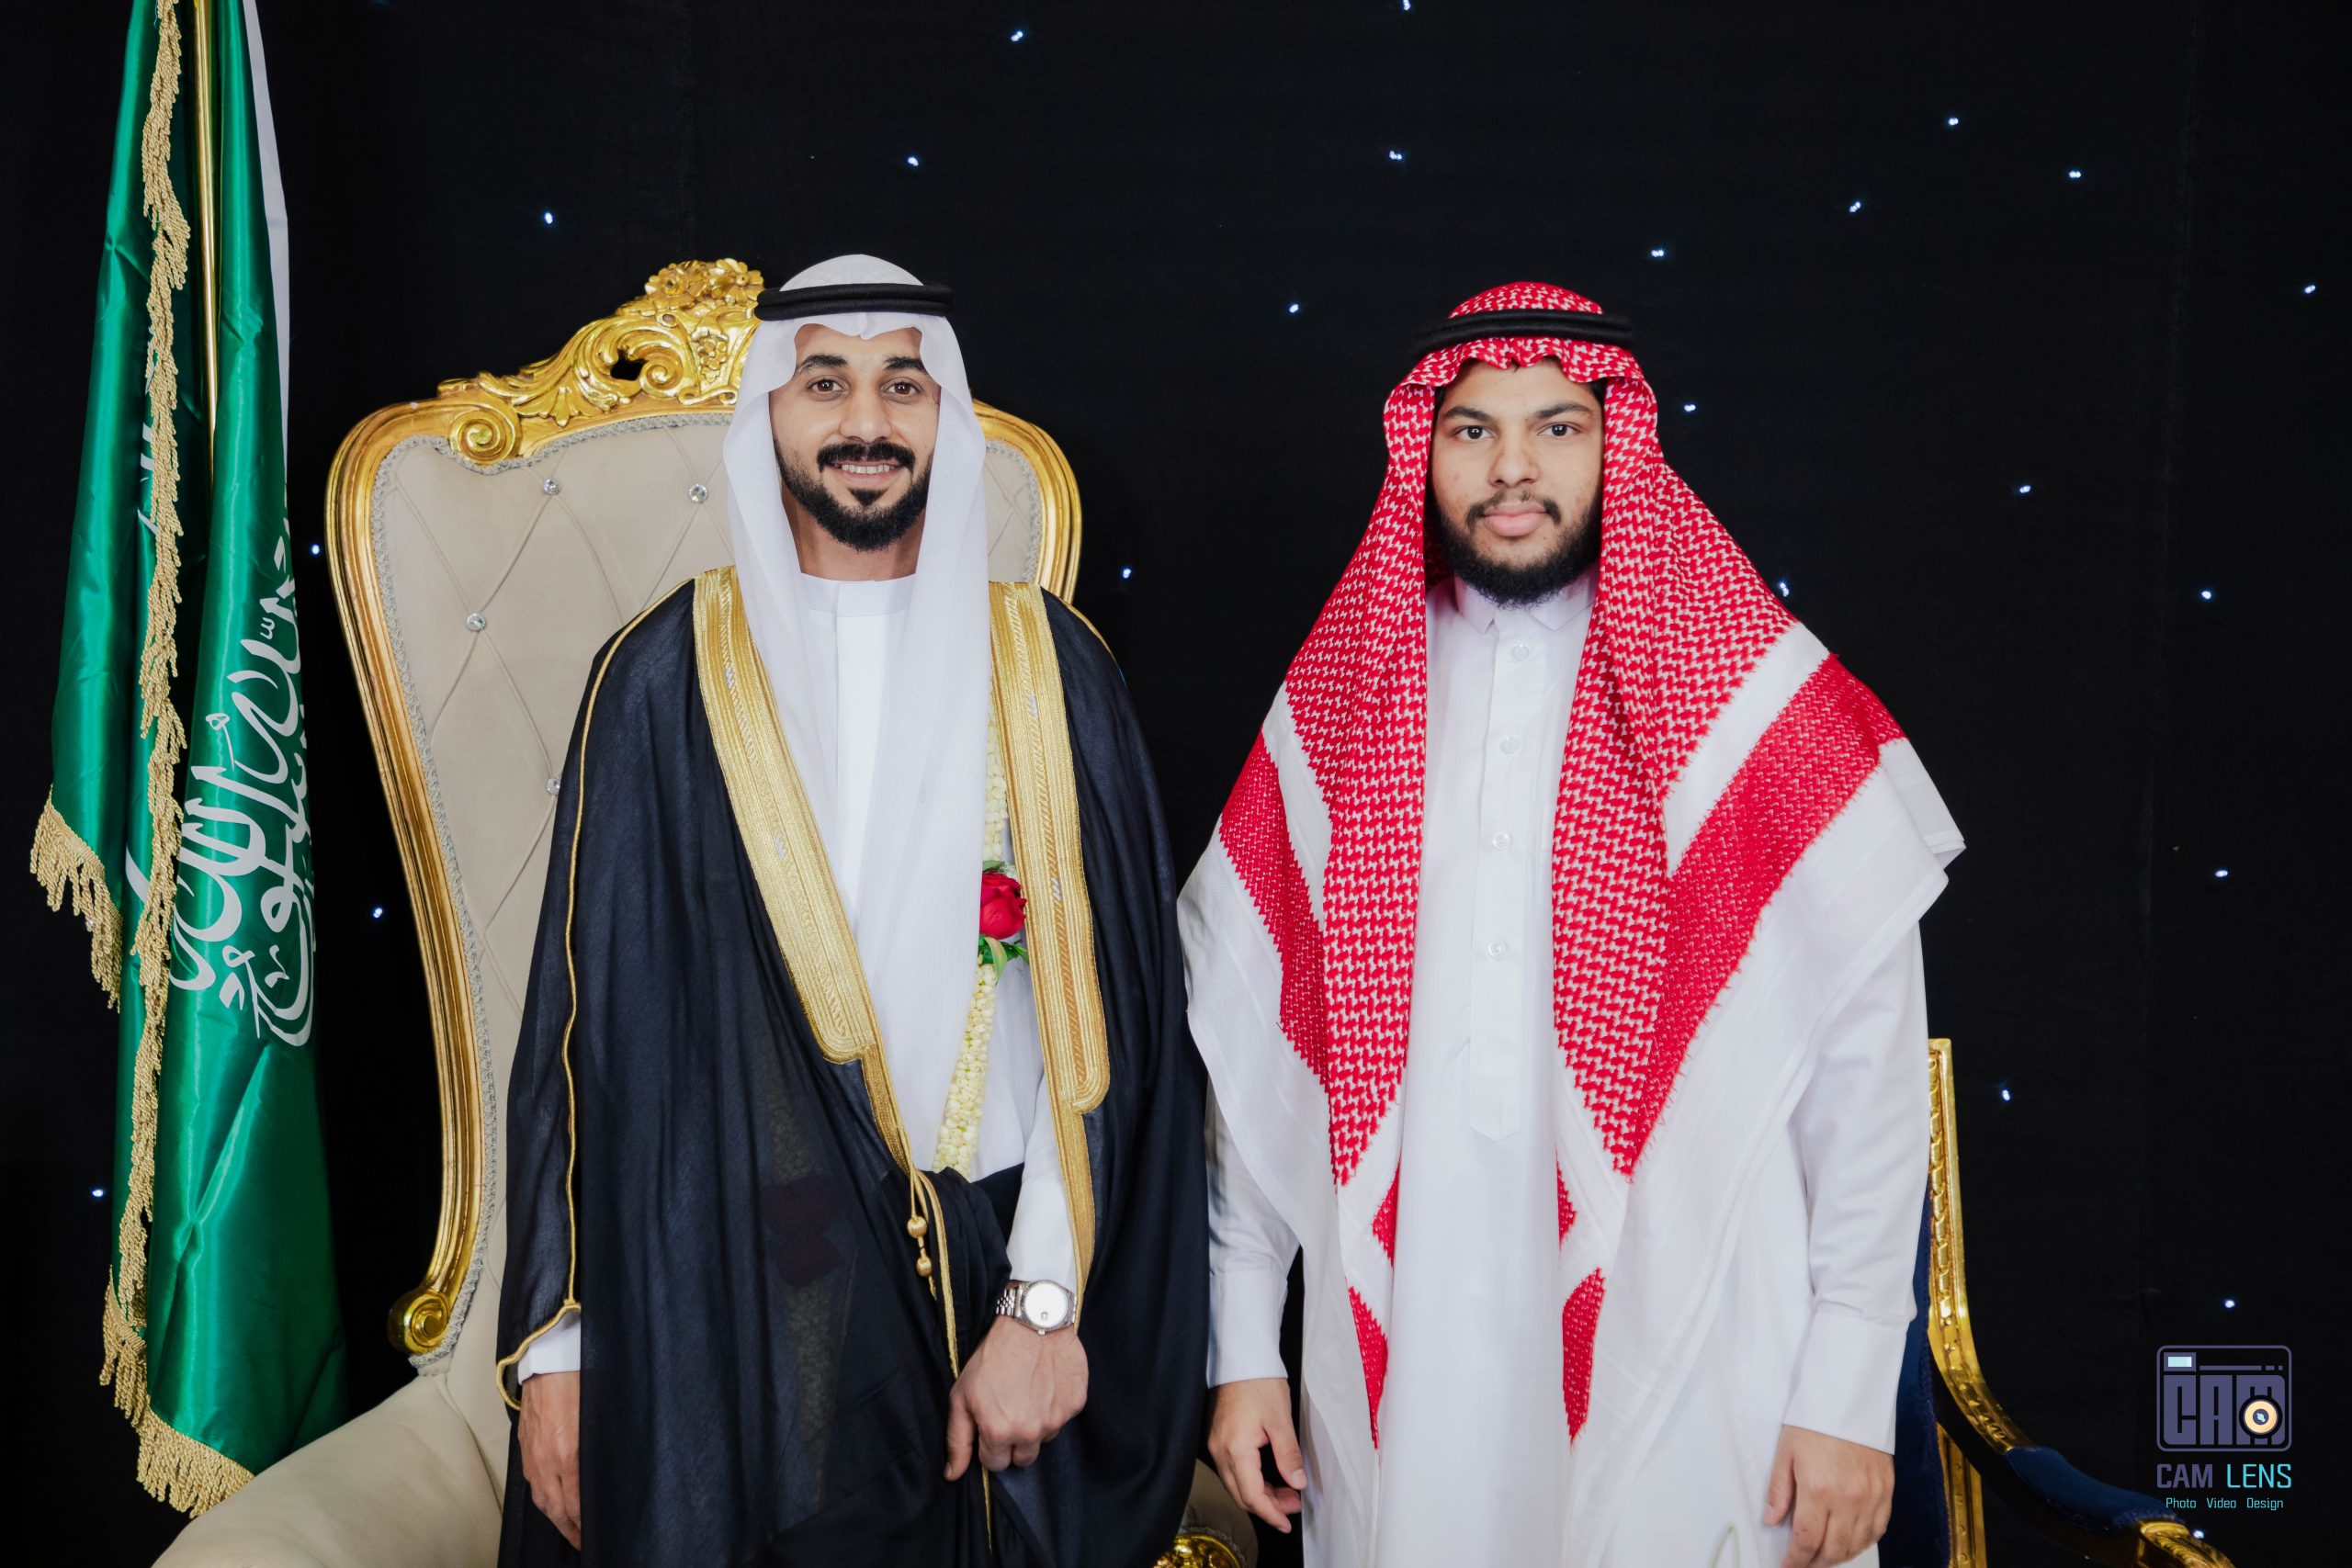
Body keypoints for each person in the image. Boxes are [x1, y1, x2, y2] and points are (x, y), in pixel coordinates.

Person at [1182, 283, 1963, 1568]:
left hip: (1703, 1330)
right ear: (1423, 450)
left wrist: (1846, 1391)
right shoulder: (1347, 696)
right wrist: (1244, 1348)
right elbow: (1258, 1056)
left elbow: (1866, 1080)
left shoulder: (1746, 702)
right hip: (1408, 1338)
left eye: (1556, 428)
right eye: (1473, 431)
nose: (1513, 469)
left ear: (1619, 445)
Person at [495, 254, 1205, 1566]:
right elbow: (583, 1039)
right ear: (767, 408)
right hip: (738, 1315)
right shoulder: (662, 677)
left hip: (999, 1304)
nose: (865, 422)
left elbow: (1117, 1033)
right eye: (825, 383)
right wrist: (560, 1353)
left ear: (948, 416)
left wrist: (1045, 1307)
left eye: (902, 386)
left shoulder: (1052, 669)